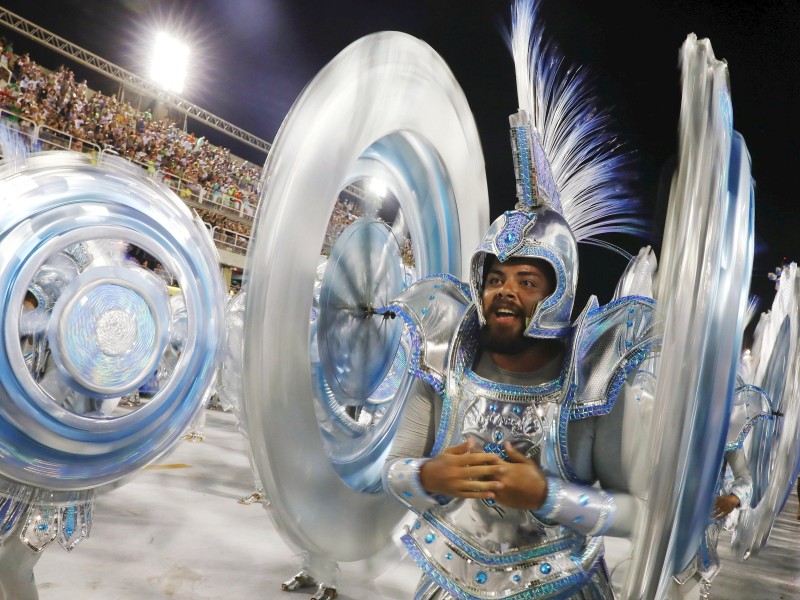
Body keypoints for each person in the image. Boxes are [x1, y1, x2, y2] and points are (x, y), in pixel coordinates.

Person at [379, 4, 656, 597]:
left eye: (528, 281)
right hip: (448, 580)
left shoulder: (593, 380)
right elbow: (394, 471)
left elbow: (639, 512)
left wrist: (548, 495)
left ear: (559, 292)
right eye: (496, 277)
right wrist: (428, 474)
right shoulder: (442, 353)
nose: (506, 290)